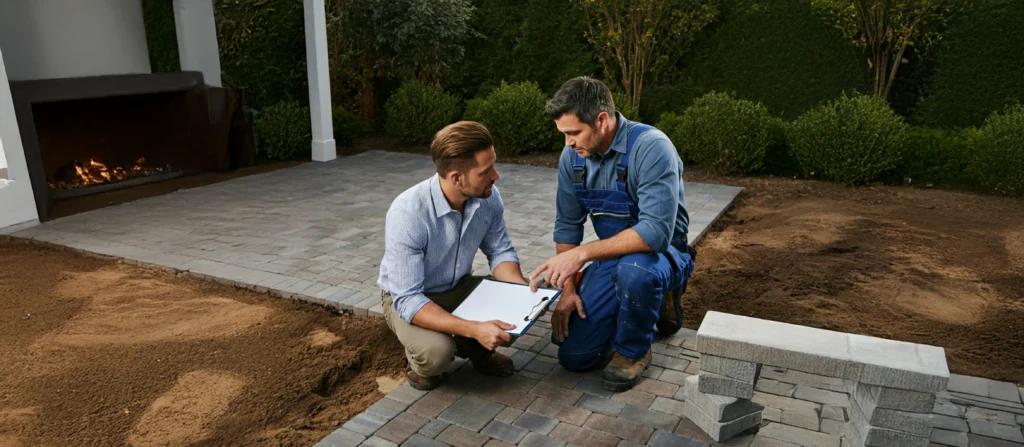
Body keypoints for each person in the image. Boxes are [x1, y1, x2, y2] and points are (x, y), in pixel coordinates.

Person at [530, 76, 696, 392]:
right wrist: (568, 290)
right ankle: (644, 303)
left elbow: (655, 232)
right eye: (564, 134)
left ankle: (635, 349)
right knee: (575, 356)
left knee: (634, 272)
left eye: (573, 133)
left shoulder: (651, 147)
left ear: (602, 120)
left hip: (661, 253)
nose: (568, 143)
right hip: (613, 256)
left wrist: (582, 254)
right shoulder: (572, 158)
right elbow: (567, 225)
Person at [378, 121, 528, 390]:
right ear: (457, 178)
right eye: (486, 171)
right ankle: (429, 357)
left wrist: (521, 295)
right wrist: (473, 327)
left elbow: (500, 251)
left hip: (458, 286)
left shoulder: (488, 196)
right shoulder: (408, 214)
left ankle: (475, 348)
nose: (496, 176)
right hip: (411, 298)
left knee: (517, 311)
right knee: (436, 355)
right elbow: (408, 298)